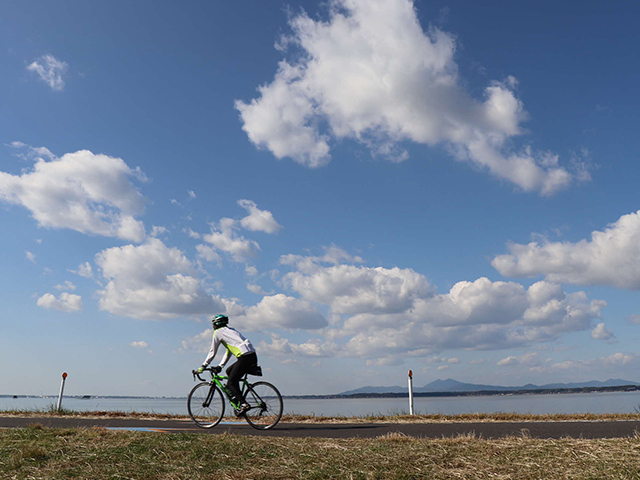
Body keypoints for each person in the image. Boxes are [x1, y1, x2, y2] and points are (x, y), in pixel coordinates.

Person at [197, 314, 258, 415]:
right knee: (229, 372)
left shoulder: (218, 333)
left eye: (213, 324)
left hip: (244, 358)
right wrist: (221, 366)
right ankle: (238, 399)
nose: (213, 326)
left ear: (216, 324)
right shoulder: (231, 330)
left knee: (231, 383)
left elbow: (212, 351)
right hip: (251, 356)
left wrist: (204, 365)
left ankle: (243, 404)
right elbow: (229, 351)